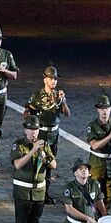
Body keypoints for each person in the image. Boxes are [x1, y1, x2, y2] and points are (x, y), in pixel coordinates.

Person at [23, 66, 70, 202]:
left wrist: (63, 101)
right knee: (37, 161)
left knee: (49, 162)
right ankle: (34, 189)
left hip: (54, 134)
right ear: (45, 79)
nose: (54, 81)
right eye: (51, 78)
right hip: (41, 133)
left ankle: (45, 192)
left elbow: (67, 113)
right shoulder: (37, 95)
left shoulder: (59, 96)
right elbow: (26, 113)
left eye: (55, 79)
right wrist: (31, 118)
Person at [11, 114, 55, 223]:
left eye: (36, 129)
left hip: (39, 193)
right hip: (22, 192)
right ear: (25, 130)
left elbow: (54, 164)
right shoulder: (19, 145)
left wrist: (44, 156)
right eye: (31, 129)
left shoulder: (44, 145)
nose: (34, 132)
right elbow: (17, 164)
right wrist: (32, 151)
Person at [86, 94, 111, 211]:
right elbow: (95, 145)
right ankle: (96, 215)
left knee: (109, 192)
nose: (104, 111)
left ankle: (106, 214)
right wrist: (110, 136)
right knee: (96, 191)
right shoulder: (93, 126)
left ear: (110, 109)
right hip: (97, 163)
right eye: (101, 108)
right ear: (98, 110)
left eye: (106, 108)